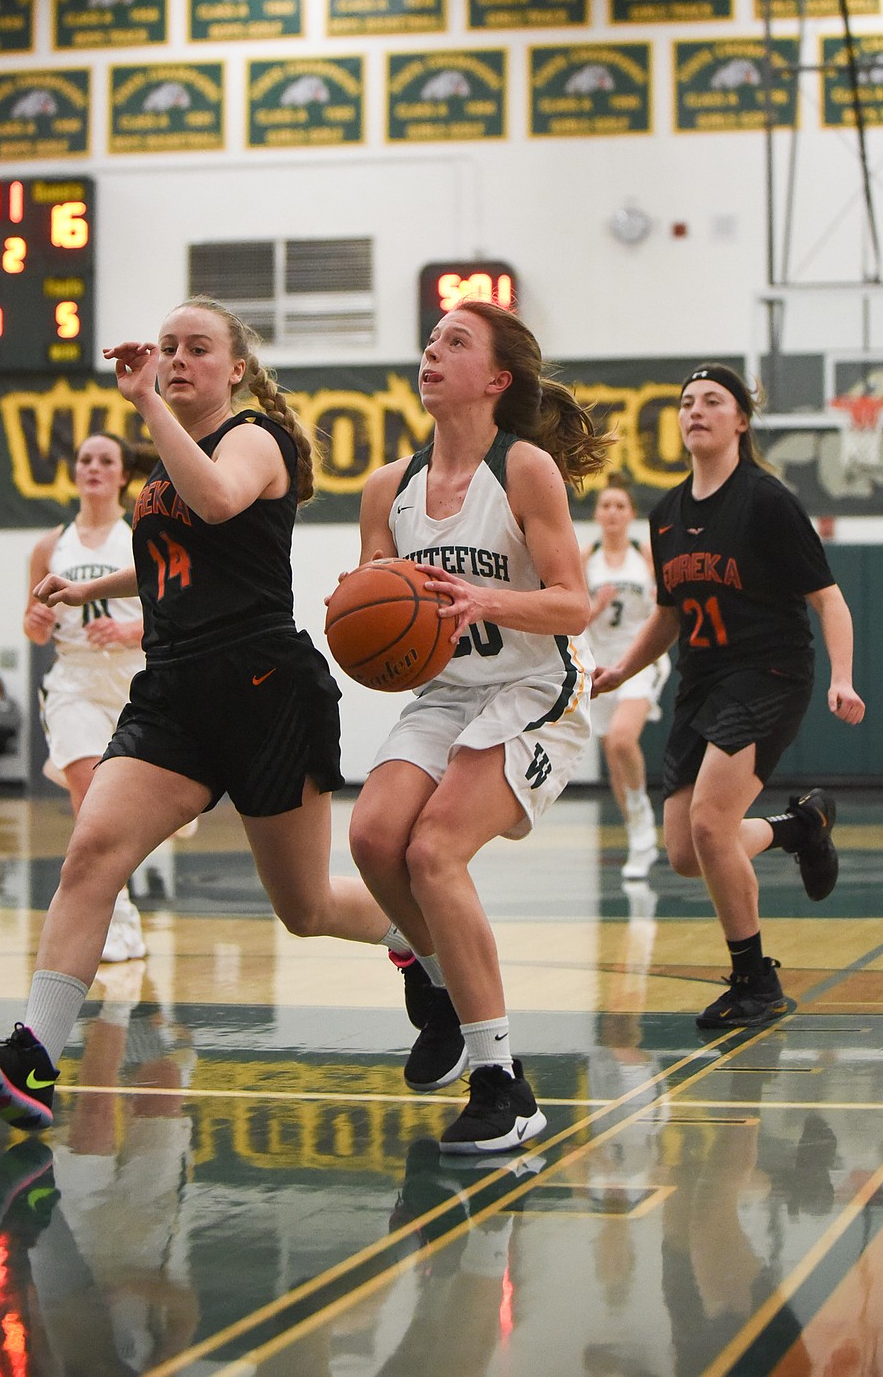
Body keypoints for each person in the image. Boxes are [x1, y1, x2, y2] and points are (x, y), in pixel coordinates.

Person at [0, 297, 414, 1133]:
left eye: (197, 349)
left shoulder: (252, 438)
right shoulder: (162, 472)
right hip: (174, 691)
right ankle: (34, 1057)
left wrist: (148, 403)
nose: (177, 360)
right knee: (91, 851)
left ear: (234, 369)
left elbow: (222, 503)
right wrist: (93, 586)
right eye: (167, 349)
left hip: (264, 685)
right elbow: (171, 557)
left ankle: (416, 938)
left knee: (303, 911)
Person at [348, 299, 612, 1154]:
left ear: (495, 379)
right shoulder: (386, 486)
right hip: (449, 690)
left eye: (453, 342)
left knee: (432, 852)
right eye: (430, 340)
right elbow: (372, 596)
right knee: (371, 836)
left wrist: (483, 599)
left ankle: (506, 1083)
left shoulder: (525, 468)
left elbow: (572, 603)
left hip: (535, 684)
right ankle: (437, 990)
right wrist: (356, 612)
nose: (432, 350)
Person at [592, 364, 864, 1031]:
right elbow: (667, 615)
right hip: (702, 681)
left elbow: (828, 600)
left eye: (712, 401)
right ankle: (801, 828)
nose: (696, 411)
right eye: (686, 402)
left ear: (740, 419)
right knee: (686, 852)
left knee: (712, 825)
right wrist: (624, 670)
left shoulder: (766, 501)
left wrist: (842, 677)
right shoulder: (665, 513)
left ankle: (755, 981)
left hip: (770, 672)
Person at [23, 431, 151, 961]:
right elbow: (35, 629)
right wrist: (33, 621)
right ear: (75, 472)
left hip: (133, 679)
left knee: (126, 809)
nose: (93, 467)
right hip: (73, 679)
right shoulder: (50, 546)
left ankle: (118, 895)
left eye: (106, 460)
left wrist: (130, 632)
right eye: (85, 460)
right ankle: (115, 916)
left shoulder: (140, 536)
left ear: (123, 475)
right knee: (87, 793)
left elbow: (176, 609)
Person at [584, 475, 671, 880]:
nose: (613, 512)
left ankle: (643, 825)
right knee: (614, 758)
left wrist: (659, 599)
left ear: (631, 514)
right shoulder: (586, 557)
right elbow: (570, 618)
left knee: (622, 738)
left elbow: (667, 606)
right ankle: (637, 832)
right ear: (598, 514)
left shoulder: (646, 554)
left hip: (639, 660)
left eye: (620, 506)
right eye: (606, 506)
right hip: (599, 665)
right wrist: (594, 609)